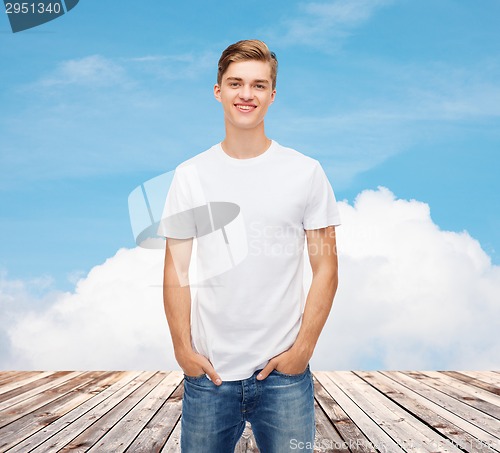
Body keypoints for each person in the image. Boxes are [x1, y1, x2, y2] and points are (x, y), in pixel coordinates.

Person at [158, 39, 340, 452]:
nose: (246, 94)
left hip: (285, 378)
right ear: (218, 90)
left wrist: (302, 351)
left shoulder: (306, 172)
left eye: (258, 85)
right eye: (236, 82)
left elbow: (326, 267)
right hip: (209, 376)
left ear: (272, 95)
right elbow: (176, 269)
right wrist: (183, 350)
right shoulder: (191, 175)